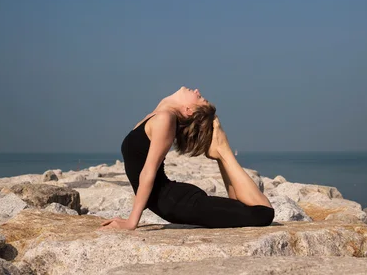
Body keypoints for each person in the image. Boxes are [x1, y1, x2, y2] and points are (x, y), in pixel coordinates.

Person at [99, 86, 275, 230]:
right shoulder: (154, 118)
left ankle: (223, 151)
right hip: (175, 201)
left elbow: (148, 172)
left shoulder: (165, 119)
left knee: (263, 213)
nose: (197, 91)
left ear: (188, 110)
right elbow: (139, 171)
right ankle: (221, 153)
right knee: (239, 209)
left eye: (200, 98)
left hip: (179, 203)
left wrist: (131, 223)